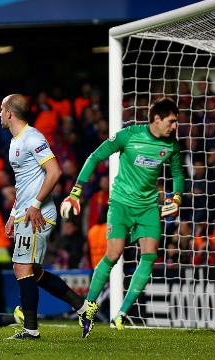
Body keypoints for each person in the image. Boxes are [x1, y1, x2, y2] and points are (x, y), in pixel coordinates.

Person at [60, 97, 184, 337]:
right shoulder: (128, 135)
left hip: (148, 207)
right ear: (156, 119)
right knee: (114, 254)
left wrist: (176, 197)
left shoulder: (172, 145)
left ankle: (122, 314)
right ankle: (89, 306)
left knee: (149, 255)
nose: (174, 126)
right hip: (120, 204)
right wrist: (76, 191)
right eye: (171, 121)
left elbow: (178, 174)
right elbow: (94, 157)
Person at [1, 94, 87, 340]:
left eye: (1, 110)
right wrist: (12, 213)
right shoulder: (15, 140)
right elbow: (24, 183)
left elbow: (55, 171)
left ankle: (30, 330)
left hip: (38, 214)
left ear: (10, 113)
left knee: (21, 267)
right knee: (33, 272)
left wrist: (37, 204)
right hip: (25, 211)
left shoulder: (33, 137)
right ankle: (82, 307)